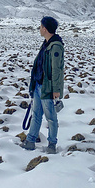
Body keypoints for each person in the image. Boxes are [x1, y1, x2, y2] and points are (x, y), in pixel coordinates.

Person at [21, 16, 64, 154]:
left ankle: (52, 144)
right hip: (39, 85)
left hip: (47, 88)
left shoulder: (55, 46)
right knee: (36, 114)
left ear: (45, 29)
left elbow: (57, 69)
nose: (39, 29)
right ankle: (30, 141)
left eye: (40, 27)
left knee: (51, 117)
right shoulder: (47, 44)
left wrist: (56, 90)